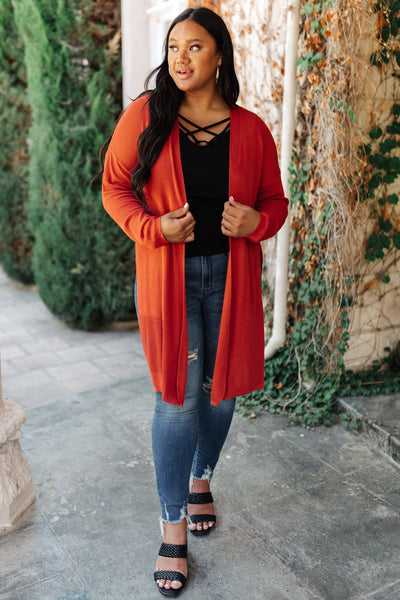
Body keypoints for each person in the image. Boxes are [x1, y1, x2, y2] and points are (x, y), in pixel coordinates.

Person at [102, 7, 288, 597]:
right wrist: (156, 229)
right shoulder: (146, 117)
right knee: (178, 399)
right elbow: (113, 188)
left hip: (230, 281)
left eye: (195, 47)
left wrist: (256, 220)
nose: (181, 58)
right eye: (174, 46)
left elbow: (276, 204)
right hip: (170, 281)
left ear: (219, 57)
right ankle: (172, 530)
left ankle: (201, 477)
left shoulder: (252, 129)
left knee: (222, 393)